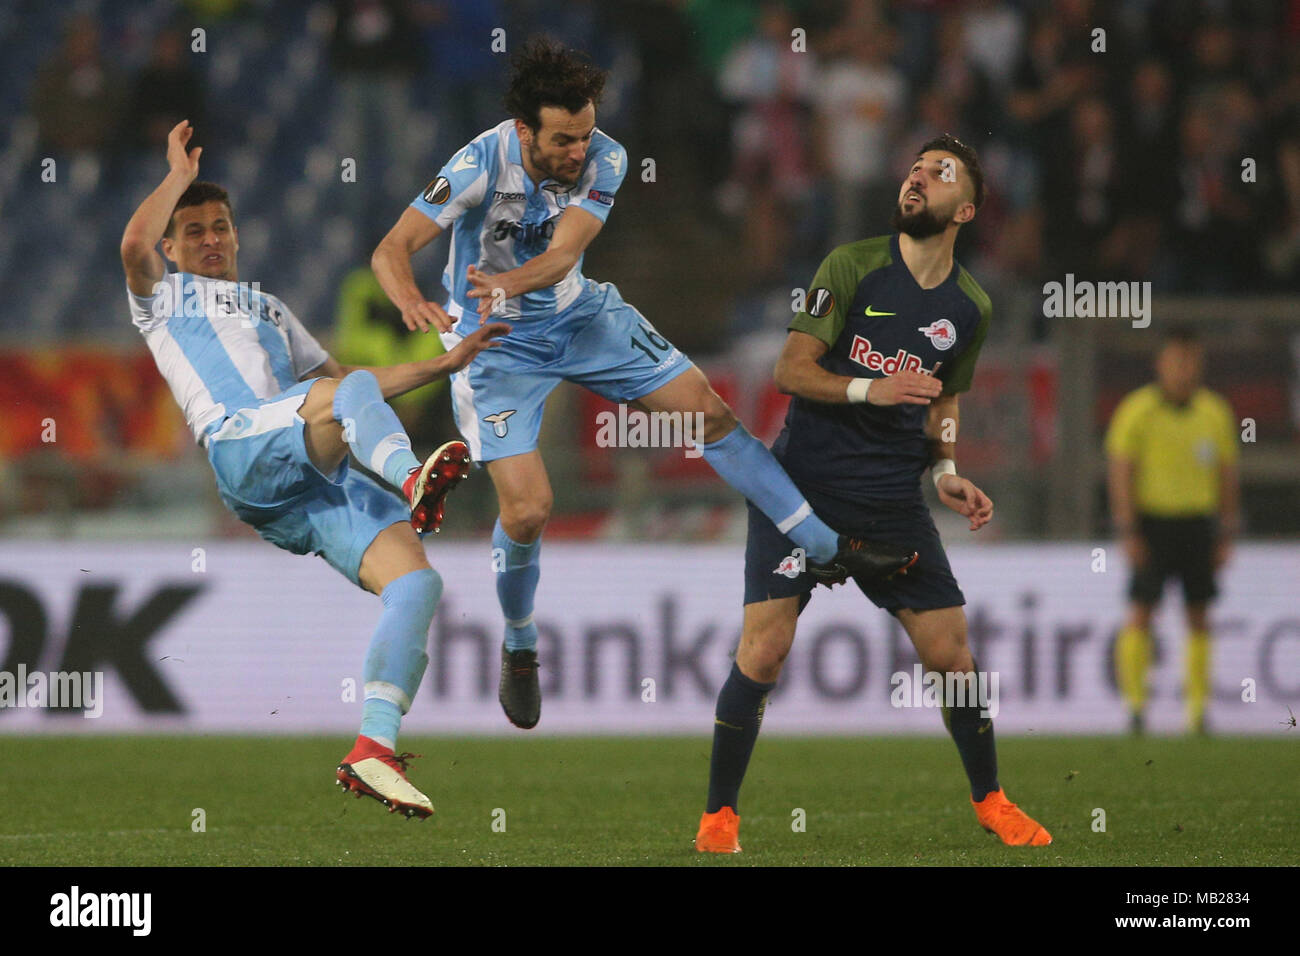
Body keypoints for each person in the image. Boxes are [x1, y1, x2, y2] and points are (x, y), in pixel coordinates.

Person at [371, 38, 916, 732]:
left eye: (584, 134)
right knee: (530, 511)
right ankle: (518, 642)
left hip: (579, 316)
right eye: (563, 140)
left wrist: (506, 282)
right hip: (494, 349)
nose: (578, 152)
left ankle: (825, 547)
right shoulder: (480, 163)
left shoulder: (608, 156)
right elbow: (390, 249)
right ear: (524, 131)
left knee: (709, 414)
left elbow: (566, 252)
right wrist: (413, 304)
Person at [121, 121, 508, 818]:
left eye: (221, 226)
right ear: (172, 249)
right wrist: (177, 176)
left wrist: (444, 364)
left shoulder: (271, 308)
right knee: (343, 402)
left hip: (303, 474)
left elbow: (351, 382)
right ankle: (412, 478)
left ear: (236, 234)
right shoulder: (163, 300)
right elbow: (129, 246)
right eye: (195, 231)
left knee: (416, 586)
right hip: (244, 447)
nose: (212, 239)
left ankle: (374, 750)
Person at [695, 134, 1053, 853]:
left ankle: (991, 799)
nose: (919, 176)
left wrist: (947, 468)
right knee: (763, 651)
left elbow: (943, 401)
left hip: (892, 498)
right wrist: (872, 386)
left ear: (967, 208)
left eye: (939, 172)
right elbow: (790, 371)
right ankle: (718, 819)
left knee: (952, 655)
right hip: (800, 489)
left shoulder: (970, 307)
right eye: (916, 167)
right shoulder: (853, 265)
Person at [1105, 326, 1240, 735]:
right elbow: (1121, 470)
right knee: (1142, 611)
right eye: (1177, 361)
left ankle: (1197, 711)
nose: (1183, 370)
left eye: (1190, 362)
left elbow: (1226, 474)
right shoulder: (1137, 410)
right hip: (1153, 524)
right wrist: (1128, 529)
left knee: (1199, 614)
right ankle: (1135, 706)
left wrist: (1226, 531)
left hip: (1198, 525)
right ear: (1160, 364)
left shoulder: (1215, 412)